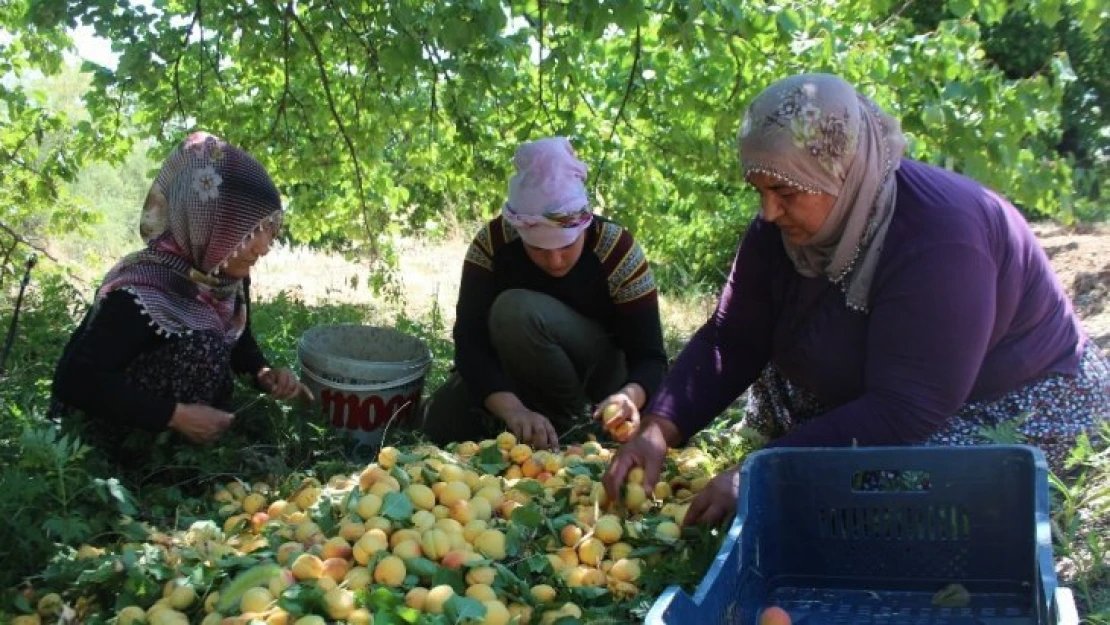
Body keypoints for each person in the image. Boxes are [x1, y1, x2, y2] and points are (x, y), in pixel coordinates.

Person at [602, 73, 1110, 526]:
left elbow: (907, 408)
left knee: (894, 501)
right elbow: (731, 337)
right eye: (759, 190)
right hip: (899, 387)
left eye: (785, 191)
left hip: (1011, 395)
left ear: (839, 175)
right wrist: (660, 427)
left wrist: (761, 470)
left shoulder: (941, 239)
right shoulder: (778, 228)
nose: (769, 211)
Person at [50, 131, 310, 466]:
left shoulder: (225, 278)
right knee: (199, 345)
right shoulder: (145, 287)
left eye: (268, 229)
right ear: (206, 223)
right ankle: (142, 466)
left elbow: (240, 345)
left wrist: (263, 372)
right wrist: (175, 416)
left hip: (172, 433)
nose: (262, 247)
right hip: (96, 441)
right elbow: (76, 379)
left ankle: (176, 458)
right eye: (248, 232)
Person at [419, 136, 668, 450]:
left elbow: (652, 357)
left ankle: (571, 425)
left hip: (598, 377)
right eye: (537, 248)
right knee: (439, 420)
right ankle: (529, 420)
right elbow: (470, 342)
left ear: (584, 225)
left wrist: (628, 397)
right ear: (518, 232)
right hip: (520, 370)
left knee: (515, 311)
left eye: (567, 245)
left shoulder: (617, 250)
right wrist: (513, 409)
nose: (554, 260)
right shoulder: (493, 244)